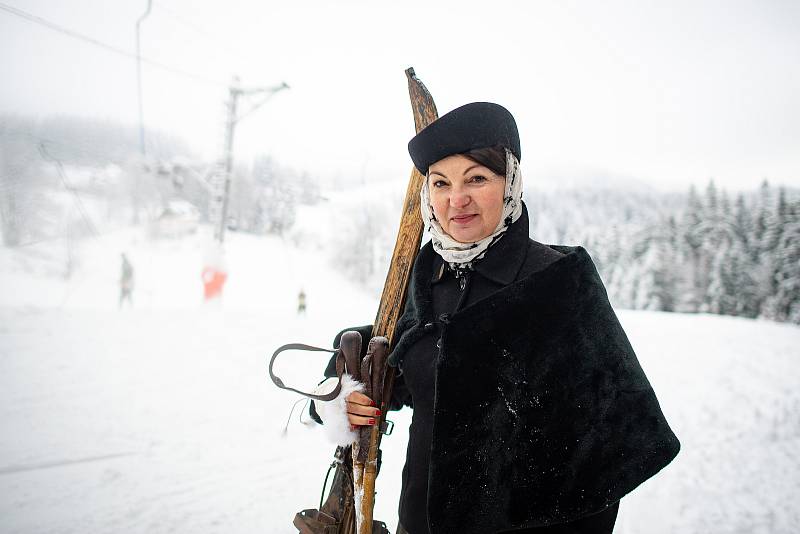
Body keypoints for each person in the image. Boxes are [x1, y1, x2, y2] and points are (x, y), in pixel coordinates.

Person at [310, 102, 680, 534]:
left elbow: (607, 452)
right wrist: (348, 392)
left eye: (477, 178)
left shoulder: (557, 282)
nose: (457, 199)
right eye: (441, 183)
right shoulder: (429, 278)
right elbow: (412, 372)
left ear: (510, 182)